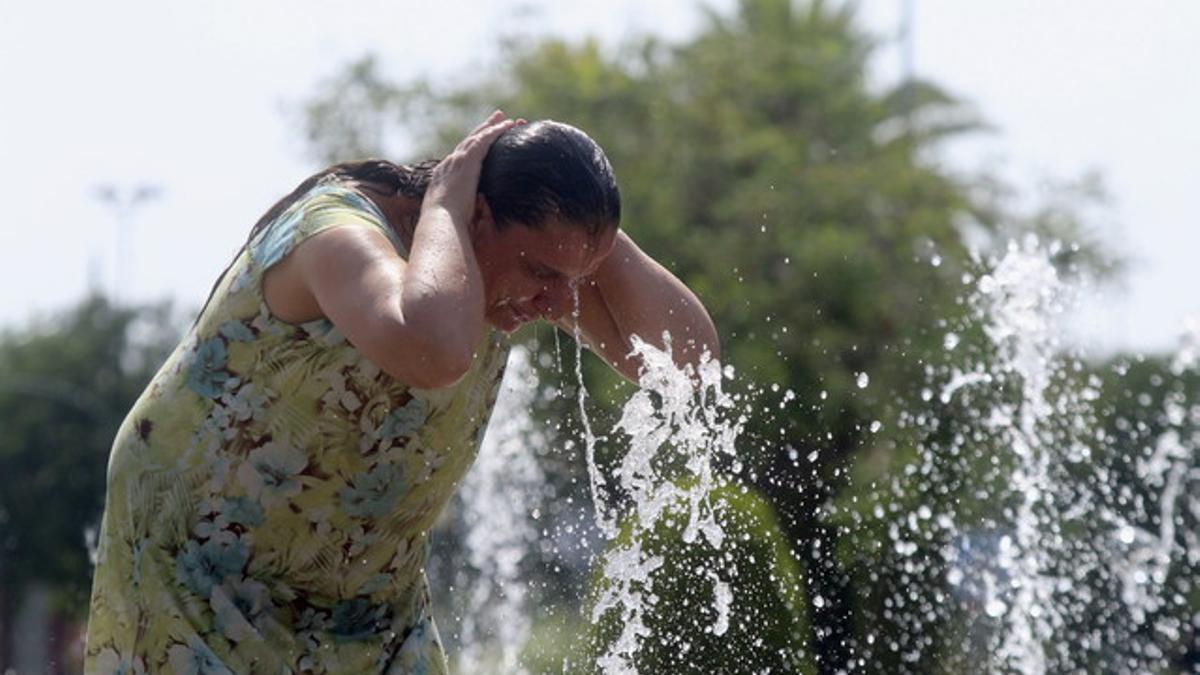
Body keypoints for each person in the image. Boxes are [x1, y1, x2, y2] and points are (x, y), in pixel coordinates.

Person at [83, 111, 718, 674]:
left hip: (365, 599)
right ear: (476, 214)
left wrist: (591, 237)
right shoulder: (335, 233)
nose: (553, 300)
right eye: (541, 272)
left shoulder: (511, 271)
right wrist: (445, 203)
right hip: (198, 577)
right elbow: (433, 349)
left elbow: (688, 360)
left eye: (570, 277)